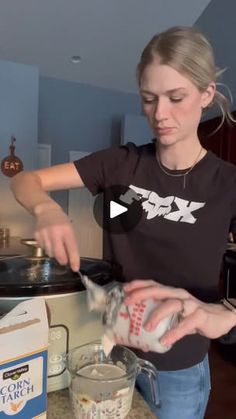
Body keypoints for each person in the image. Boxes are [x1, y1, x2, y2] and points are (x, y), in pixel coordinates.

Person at [11, 26, 236, 419]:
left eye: (175, 97)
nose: (159, 114)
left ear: (206, 95)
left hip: (179, 372)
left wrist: (230, 313)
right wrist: (46, 209)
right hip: (110, 354)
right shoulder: (121, 164)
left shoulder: (228, 184)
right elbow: (25, 180)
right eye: (148, 99)